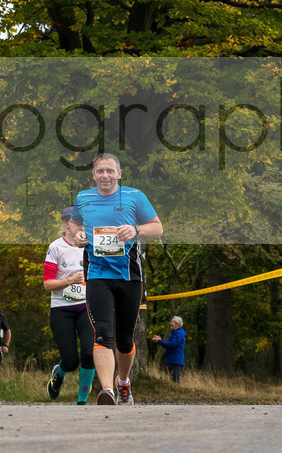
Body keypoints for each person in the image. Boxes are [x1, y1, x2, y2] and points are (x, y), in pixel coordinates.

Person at [68, 153, 163, 405]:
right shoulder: (83, 198)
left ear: (119, 174)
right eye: (100, 171)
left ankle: (123, 383)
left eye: (110, 171)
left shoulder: (135, 197)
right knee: (102, 333)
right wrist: (77, 235)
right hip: (97, 275)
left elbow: (158, 227)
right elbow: (75, 225)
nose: (105, 176)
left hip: (129, 276)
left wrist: (136, 229)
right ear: (93, 175)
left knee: (125, 339)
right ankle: (107, 390)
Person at [44, 207, 96, 405]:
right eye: (72, 221)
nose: (77, 225)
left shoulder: (91, 246)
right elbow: (47, 284)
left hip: (86, 307)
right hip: (61, 309)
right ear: (65, 225)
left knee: (90, 353)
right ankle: (58, 373)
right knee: (71, 360)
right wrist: (70, 280)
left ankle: (82, 401)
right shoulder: (56, 247)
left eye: (81, 222)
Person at [153, 316, 187, 383]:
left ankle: (177, 393)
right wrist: (160, 341)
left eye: (172, 322)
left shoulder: (179, 334)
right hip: (173, 359)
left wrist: (160, 341)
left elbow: (171, 345)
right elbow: (169, 345)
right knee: (173, 380)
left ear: (177, 324)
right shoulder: (175, 333)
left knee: (175, 381)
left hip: (175, 360)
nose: (170, 323)